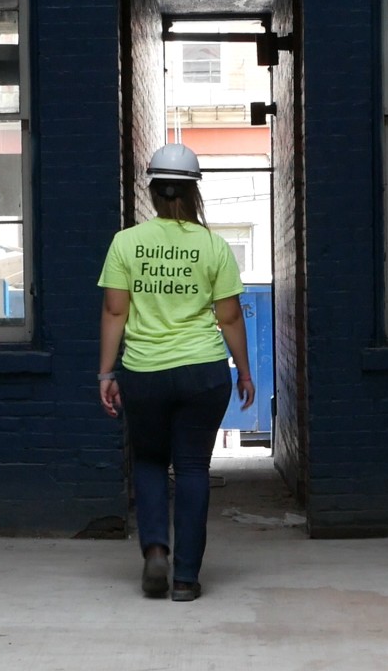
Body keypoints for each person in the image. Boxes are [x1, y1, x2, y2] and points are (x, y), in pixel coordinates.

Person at [97, 143, 255, 602]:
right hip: (202, 373)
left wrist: (106, 373)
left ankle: (155, 551)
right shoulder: (213, 246)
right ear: (193, 192)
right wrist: (245, 373)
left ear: (152, 190)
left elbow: (114, 312)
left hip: (144, 373)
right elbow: (229, 317)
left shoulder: (126, 243)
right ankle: (185, 578)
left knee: (149, 460)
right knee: (192, 467)